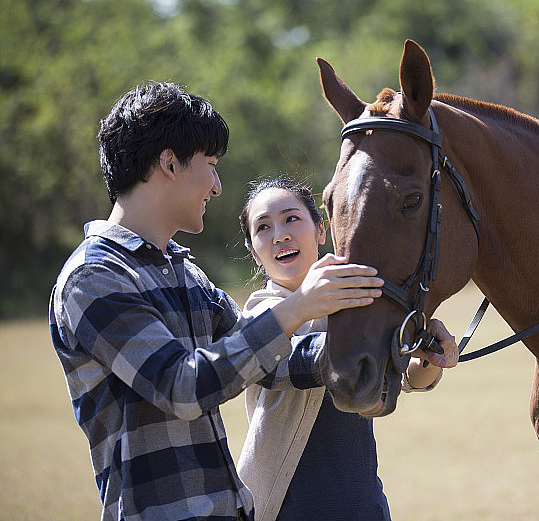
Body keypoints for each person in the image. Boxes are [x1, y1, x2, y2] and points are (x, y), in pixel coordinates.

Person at [48, 81, 384, 521]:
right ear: (169, 163)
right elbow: (181, 386)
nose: (217, 185)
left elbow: (275, 362)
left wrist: (394, 343)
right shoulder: (95, 277)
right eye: (209, 164)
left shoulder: (185, 274)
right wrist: (299, 305)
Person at [235, 177, 459, 521]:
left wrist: (426, 354)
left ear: (321, 230)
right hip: (285, 509)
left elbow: (406, 379)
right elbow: (285, 362)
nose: (280, 234)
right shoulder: (260, 314)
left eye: (292, 219)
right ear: (253, 249)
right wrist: (384, 337)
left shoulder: (355, 307)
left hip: (363, 504)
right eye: (263, 227)